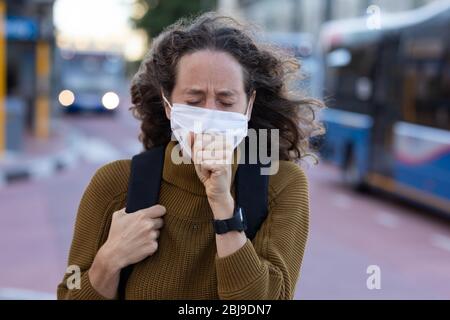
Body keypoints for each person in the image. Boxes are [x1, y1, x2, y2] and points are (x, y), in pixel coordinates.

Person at [57, 12, 324, 300]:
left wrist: (223, 208)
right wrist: (109, 260)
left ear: (249, 105)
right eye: (194, 101)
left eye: (226, 100)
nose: (210, 113)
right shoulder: (115, 183)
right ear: (168, 104)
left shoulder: (279, 184)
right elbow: (70, 290)